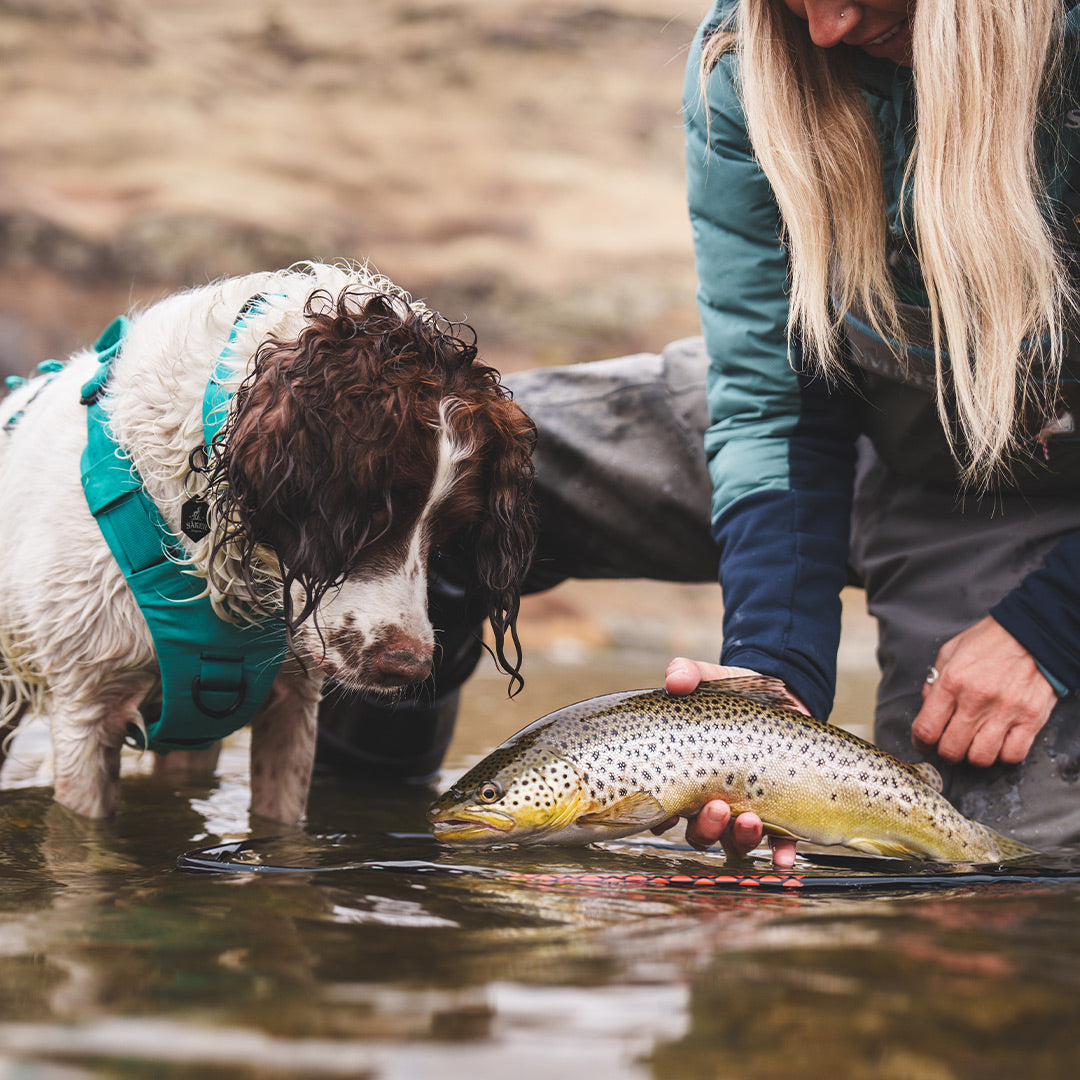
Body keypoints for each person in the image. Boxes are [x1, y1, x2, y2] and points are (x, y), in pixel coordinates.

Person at [319, 0, 1080, 865]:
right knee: (438, 469)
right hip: (824, 419)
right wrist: (772, 670)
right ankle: (358, 860)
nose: (824, 28)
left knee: (986, 884)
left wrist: (1052, 626)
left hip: (1038, 494)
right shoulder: (744, 55)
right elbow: (768, 398)